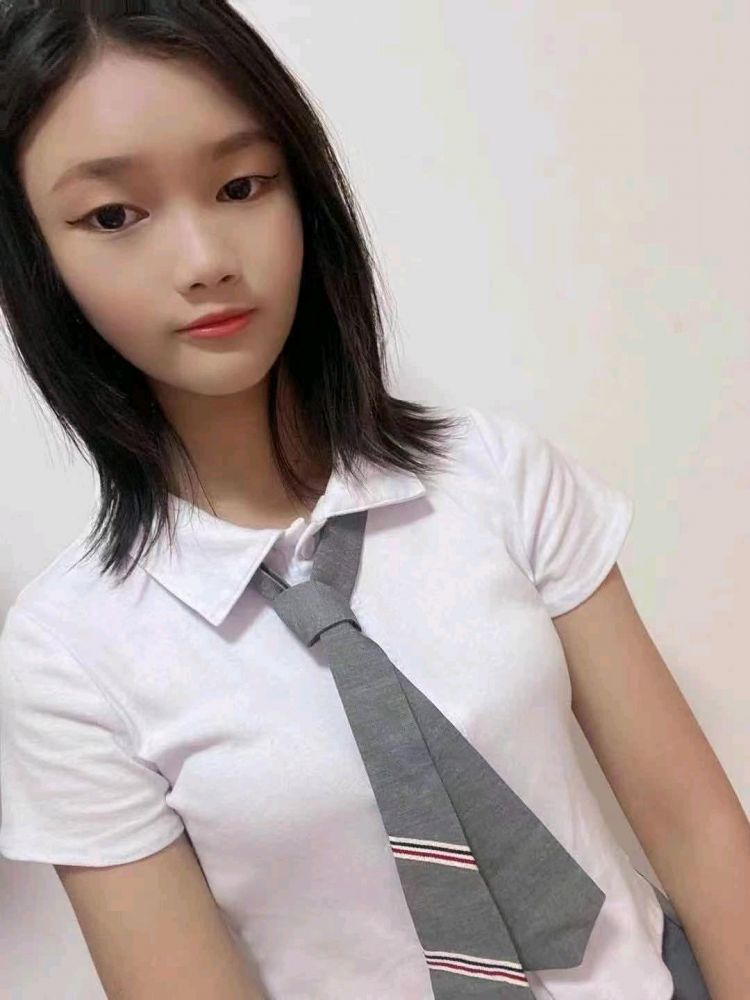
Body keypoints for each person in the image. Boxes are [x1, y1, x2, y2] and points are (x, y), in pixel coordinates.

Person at [0, 3, 741, 999]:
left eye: (240, 186)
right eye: (113, 216)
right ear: (37, 260)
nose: (205, 258)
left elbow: (700, 833)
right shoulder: (69, 657)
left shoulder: (496, 477)